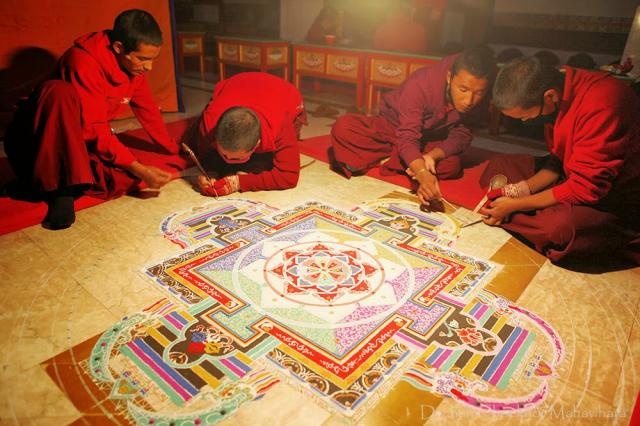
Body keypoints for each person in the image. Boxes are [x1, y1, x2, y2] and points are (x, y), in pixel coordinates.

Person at [4, 9, 183, 230]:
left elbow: (147, 109)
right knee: (59, 91)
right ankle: (61, 190)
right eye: (143, 59)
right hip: (36, 141)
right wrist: (139, 167)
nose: (149, 67)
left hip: (76, 138)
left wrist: (171, 148)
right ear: (118, 48)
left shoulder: (133, 69)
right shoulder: (81, 61)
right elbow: (93, 129)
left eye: (153, 59)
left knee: (121, 179)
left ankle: (44, 184)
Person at [481, 56, 640, 265]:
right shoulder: (562, 82)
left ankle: (518, 215)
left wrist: (515, 205)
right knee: (499, 165)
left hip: (615, 197)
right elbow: (557, 161)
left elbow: (585, 188)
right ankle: (525, 214)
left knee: (557, 229)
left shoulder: (602, 104)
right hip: (570, 171)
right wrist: (520, 190)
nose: (524, 121)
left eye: (524, 116)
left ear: (550, 96)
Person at [330, 47, 495, 206]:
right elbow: (408, 135)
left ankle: (396, 159)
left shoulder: (480, 93)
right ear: (449, 77)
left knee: (452, 165)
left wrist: (432, 156)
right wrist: (422, 173)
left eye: (478, 93)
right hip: (393, 125)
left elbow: (462, 135)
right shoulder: (422, 83)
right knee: (344, 127)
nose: (469, 101)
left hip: (429, 139)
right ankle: (406, 161)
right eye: (463, 89)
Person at [186, 72, 306, 197]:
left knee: (260, 164)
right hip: (238, 83)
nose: (230, 161)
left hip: (283, 93)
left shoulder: (280, 124)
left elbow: (288, 177)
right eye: (224, 154)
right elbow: (205, 154)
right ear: (216, 137)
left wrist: (239, 182)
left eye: (238, 158)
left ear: (257, 144)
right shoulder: (209, 122)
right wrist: (208, 172)